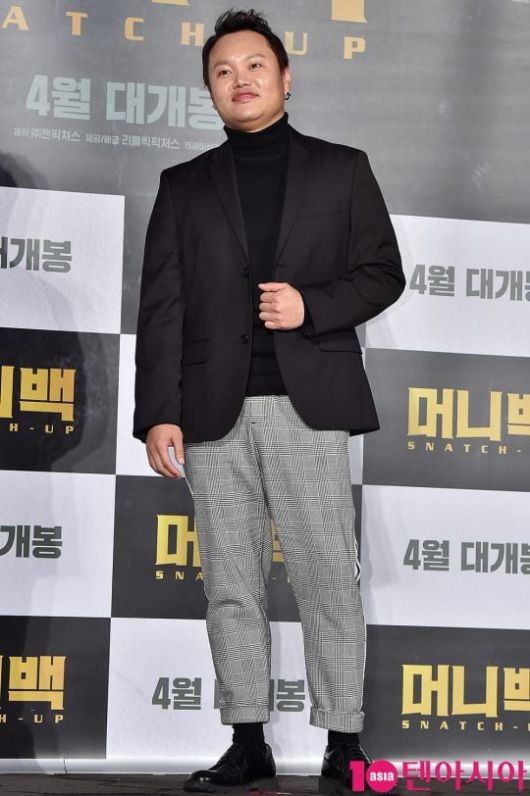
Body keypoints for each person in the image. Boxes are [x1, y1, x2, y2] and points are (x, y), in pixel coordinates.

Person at [133, 8, 405, 794]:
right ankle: (246, 739)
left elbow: (382, 274)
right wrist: (158, 412)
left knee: (328, 580)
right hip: (211, 415)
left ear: (286, 78)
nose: (240, 80)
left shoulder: (341, 170)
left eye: (254, 65)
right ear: (210, 91)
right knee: (230, 585)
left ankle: (344, 743)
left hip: (306, 406)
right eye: (222, 71)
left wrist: (310, 305)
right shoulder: (183, 186)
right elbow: (162, 308)